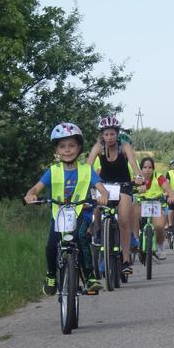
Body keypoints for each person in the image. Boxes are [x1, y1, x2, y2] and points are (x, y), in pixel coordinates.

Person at [24, 122, 109, 295]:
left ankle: (90, 276)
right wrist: (31, 195)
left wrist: (104, 195)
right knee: (51, 246)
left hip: (81, 213)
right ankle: (50, 276)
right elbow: (36, 188)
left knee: (81, 238)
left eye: (71, 145)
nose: (67, 150)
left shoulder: (87, 170)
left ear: (79, 148)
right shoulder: (53, 170)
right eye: (62, 146)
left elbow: (100, 187)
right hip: (59, 215)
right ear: (56, 150)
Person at [87, 116, 144, 276]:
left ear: (117, 134)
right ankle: (98, 232)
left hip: (123, 185)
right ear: (102, 135)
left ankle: (125, 260)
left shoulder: (124, 146)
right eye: (106, 135)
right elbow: (88, 166)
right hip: (104, 185)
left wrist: (139, 177)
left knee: (124, 221)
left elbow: (133, 164)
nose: (109, 138)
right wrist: (85, 180)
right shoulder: (98, 148)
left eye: (112, 134)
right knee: (97, 209)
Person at [133, 157, 174, 260]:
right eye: (145, 167)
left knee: (159, 226)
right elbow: (129, 189)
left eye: (150, 167)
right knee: (133, 215)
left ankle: (160, 246)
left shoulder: (159, 177)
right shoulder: (137, 178)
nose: (147, 170)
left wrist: (171, 196)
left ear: (153, 169)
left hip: (156, 204)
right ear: (141, 168)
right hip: (141, 204)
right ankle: (135, 240)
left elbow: (168, 189)